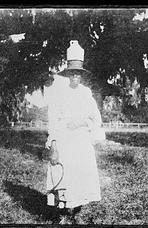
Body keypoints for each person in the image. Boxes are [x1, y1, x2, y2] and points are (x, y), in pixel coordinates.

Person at [46, 40, 102, 214]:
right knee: (63, 172)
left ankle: (75, 209)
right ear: (67, 75)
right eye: (72, 74)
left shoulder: (86, 93)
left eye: (78, 74)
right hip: (63, 138)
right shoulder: (59, 93)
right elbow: (53, 121)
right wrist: (53, 145)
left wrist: (81, 122)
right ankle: (62, 211)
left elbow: (96, 119)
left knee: (80, 173)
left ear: (81, 76)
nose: (75, 78)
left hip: (80, 139)